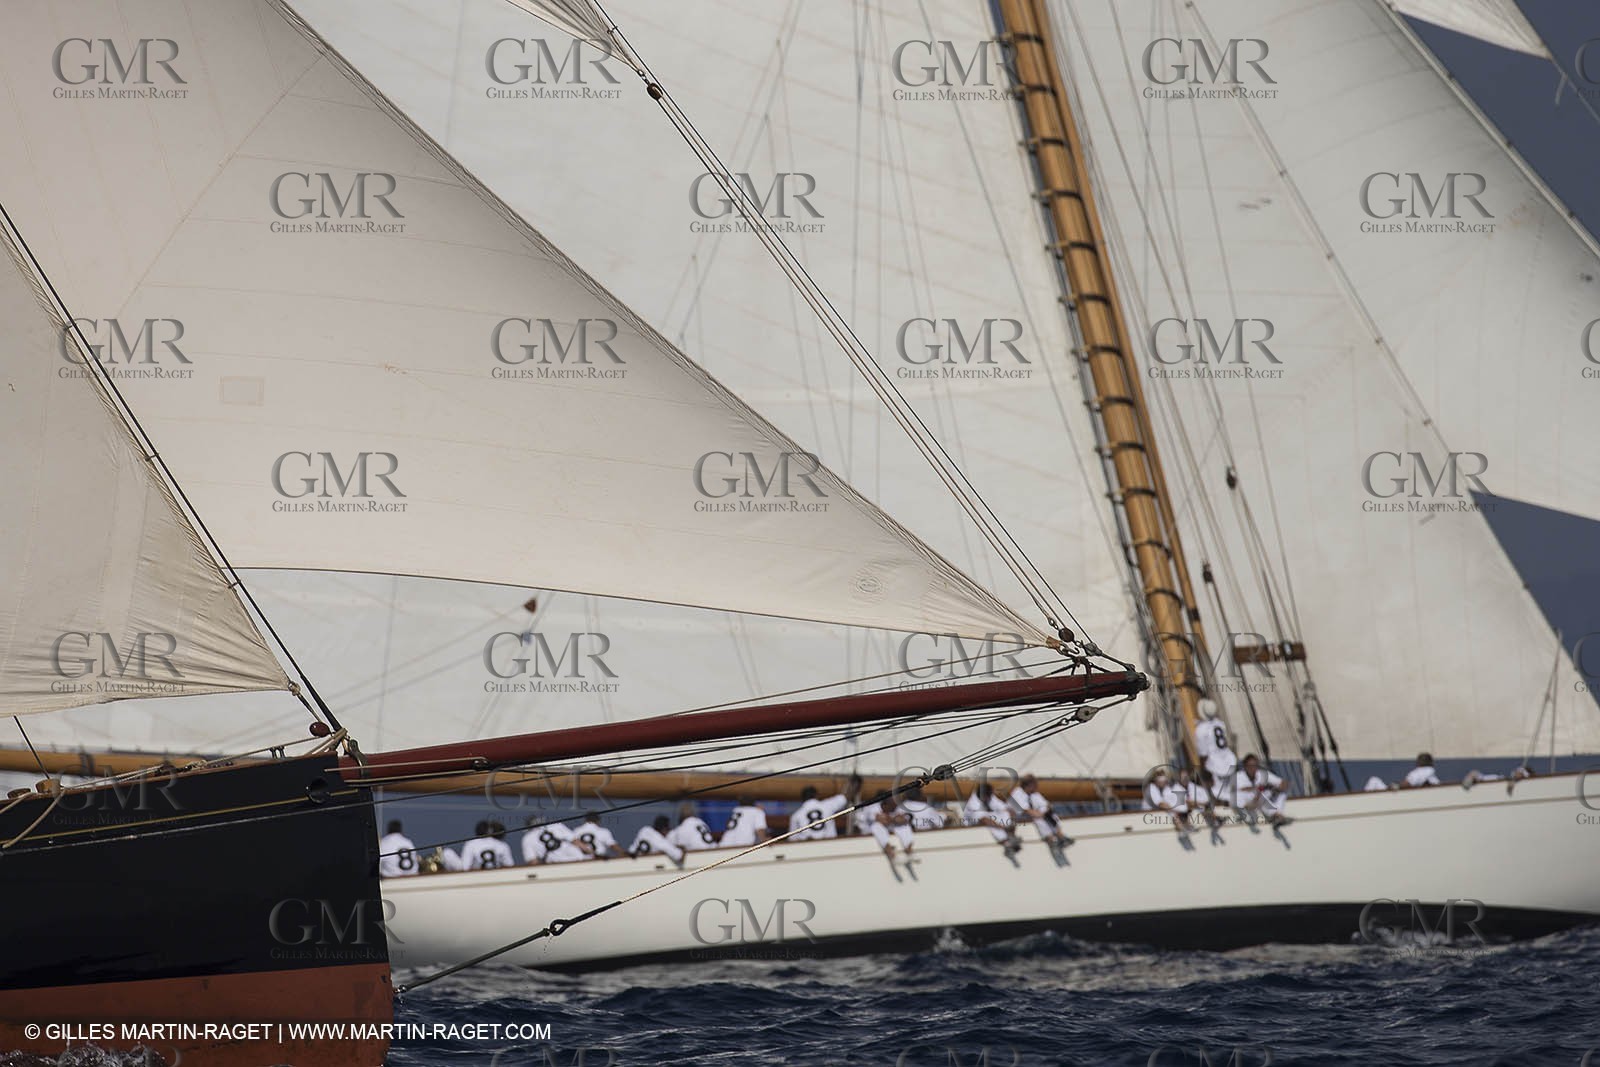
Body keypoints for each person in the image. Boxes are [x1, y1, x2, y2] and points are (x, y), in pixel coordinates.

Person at [1193, 698, 1238, 802]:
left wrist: (1203, 774)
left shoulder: (1201, 730)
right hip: (1229, 761)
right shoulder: (1220, 724)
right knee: (1230, 791)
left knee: (1219, 794)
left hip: (1216, 766)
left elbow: (1203, 755)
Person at [1008, 774, 1072, 846]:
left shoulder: (1034, 794)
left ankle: (1060, 835)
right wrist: (1042, 813)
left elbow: (1046, 805)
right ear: (1029, 785)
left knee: (1049, 814)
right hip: (1016, 817)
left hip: (1030, 815)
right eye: (1035, 785)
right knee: (1038, 819)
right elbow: (1027, 811)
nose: (1037, 786)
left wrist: (1045, 811)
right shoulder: (1017, 793)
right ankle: (1051, 840)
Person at [964, 782, 1021, 854]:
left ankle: (1011, 837)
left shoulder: (989, 796)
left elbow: (1005, 808)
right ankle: (1005, 842)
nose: (991, 797)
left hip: (992, 821)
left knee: (1004, 813)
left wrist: (1012, 823)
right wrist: (1003, 827)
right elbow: (984, 820)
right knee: (990, 822)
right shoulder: (973, 804)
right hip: (973, 826)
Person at [1233, 755, 1289, 827]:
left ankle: (1277, 815)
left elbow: (1284, 783)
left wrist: (1276, 788)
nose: (1253, 768)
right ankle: (1275, 815)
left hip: (1260, 801)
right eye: (1250, 766)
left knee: (1282, 792)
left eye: (1255, 765)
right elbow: (1242, 790)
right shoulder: (1239, 776)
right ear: (1245, 766)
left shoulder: (1262, 773)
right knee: (1256, 794)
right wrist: (1261, 788)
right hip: (1247, 803)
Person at [522, 816, 591, 864]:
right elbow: (576, 842)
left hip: (554, 862)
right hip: (576, 857)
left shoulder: (527, 838)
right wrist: (592, 853)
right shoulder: (556, 825)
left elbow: (533, 861)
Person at [1142, 767, 1189, 833]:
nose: (1164, 782)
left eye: (1165, 780)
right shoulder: (1151, 788)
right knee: (1173, 812)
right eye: (1161, 780)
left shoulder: (1163, 788)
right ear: (1156, 780)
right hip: (1150, 815)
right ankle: (1182, 829)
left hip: (1158, 814)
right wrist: (1177, 810)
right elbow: (1161, 804)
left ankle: (1184, 827)